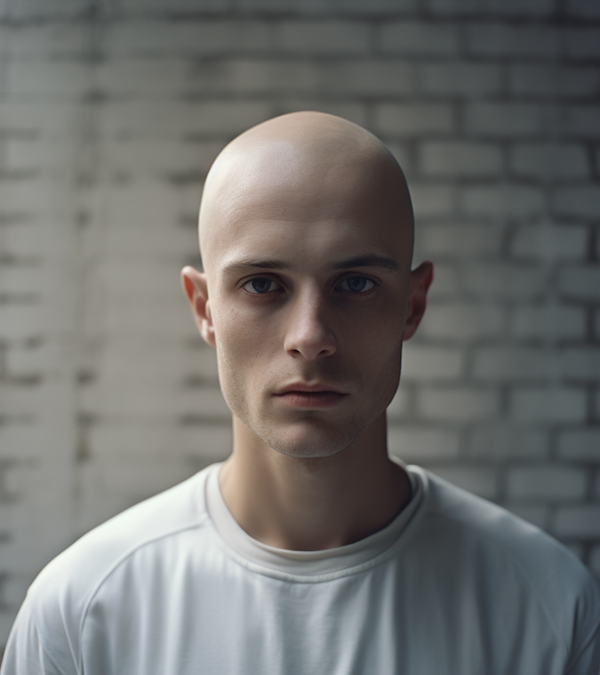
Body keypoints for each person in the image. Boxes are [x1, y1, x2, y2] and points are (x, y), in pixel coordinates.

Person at [2, 111, 599, 674]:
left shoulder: (549, 607)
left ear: (412, 305)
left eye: (356, 283)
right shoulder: (83, 611)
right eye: (263, 284)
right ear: (205, 309)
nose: (310, 338)